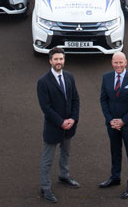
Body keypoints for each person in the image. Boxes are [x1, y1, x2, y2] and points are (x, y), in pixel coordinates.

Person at [37, 47, 80, 203]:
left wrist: (73, 119)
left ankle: (64, 176)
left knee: (65, 153)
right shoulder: (43, 82)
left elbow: (75, 99)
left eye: (61, 59)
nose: (59, 62)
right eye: (56, 59)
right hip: (53, 128)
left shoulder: (69, 77)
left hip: (69, 126)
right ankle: (45, 188)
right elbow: (46, 108)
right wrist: (61, 122)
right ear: (50, 61)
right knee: (48, 159)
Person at [98, 52, 128, 199]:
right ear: (112, 62)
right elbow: (103, 100)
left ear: (126, 63)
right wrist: (111, 120)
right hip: (112, 124)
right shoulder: (106, 78)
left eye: (121, 63)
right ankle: (115, 177)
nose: (118, 65)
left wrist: (123, 121)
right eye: (115, 62)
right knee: (115, 151)